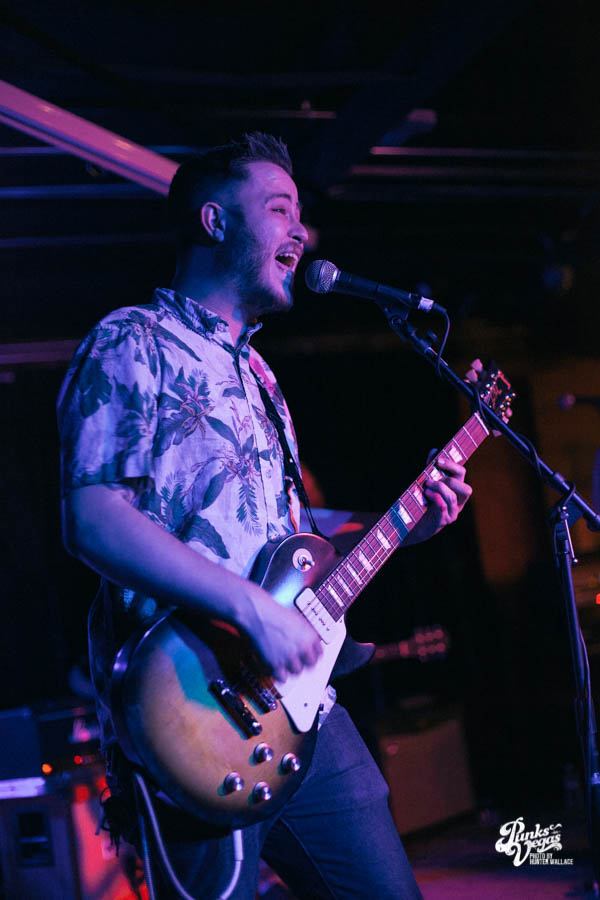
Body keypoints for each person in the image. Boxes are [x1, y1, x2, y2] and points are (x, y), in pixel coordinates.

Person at [57, 133, 472, 898]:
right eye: (280, 209)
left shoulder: (258, 374)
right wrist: (252, 610)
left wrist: (404, 522)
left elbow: (288, 536)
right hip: (189, 708)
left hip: (298, 706)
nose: (301, 232)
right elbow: (93, 517)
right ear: (215, 221)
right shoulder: (130, 342)